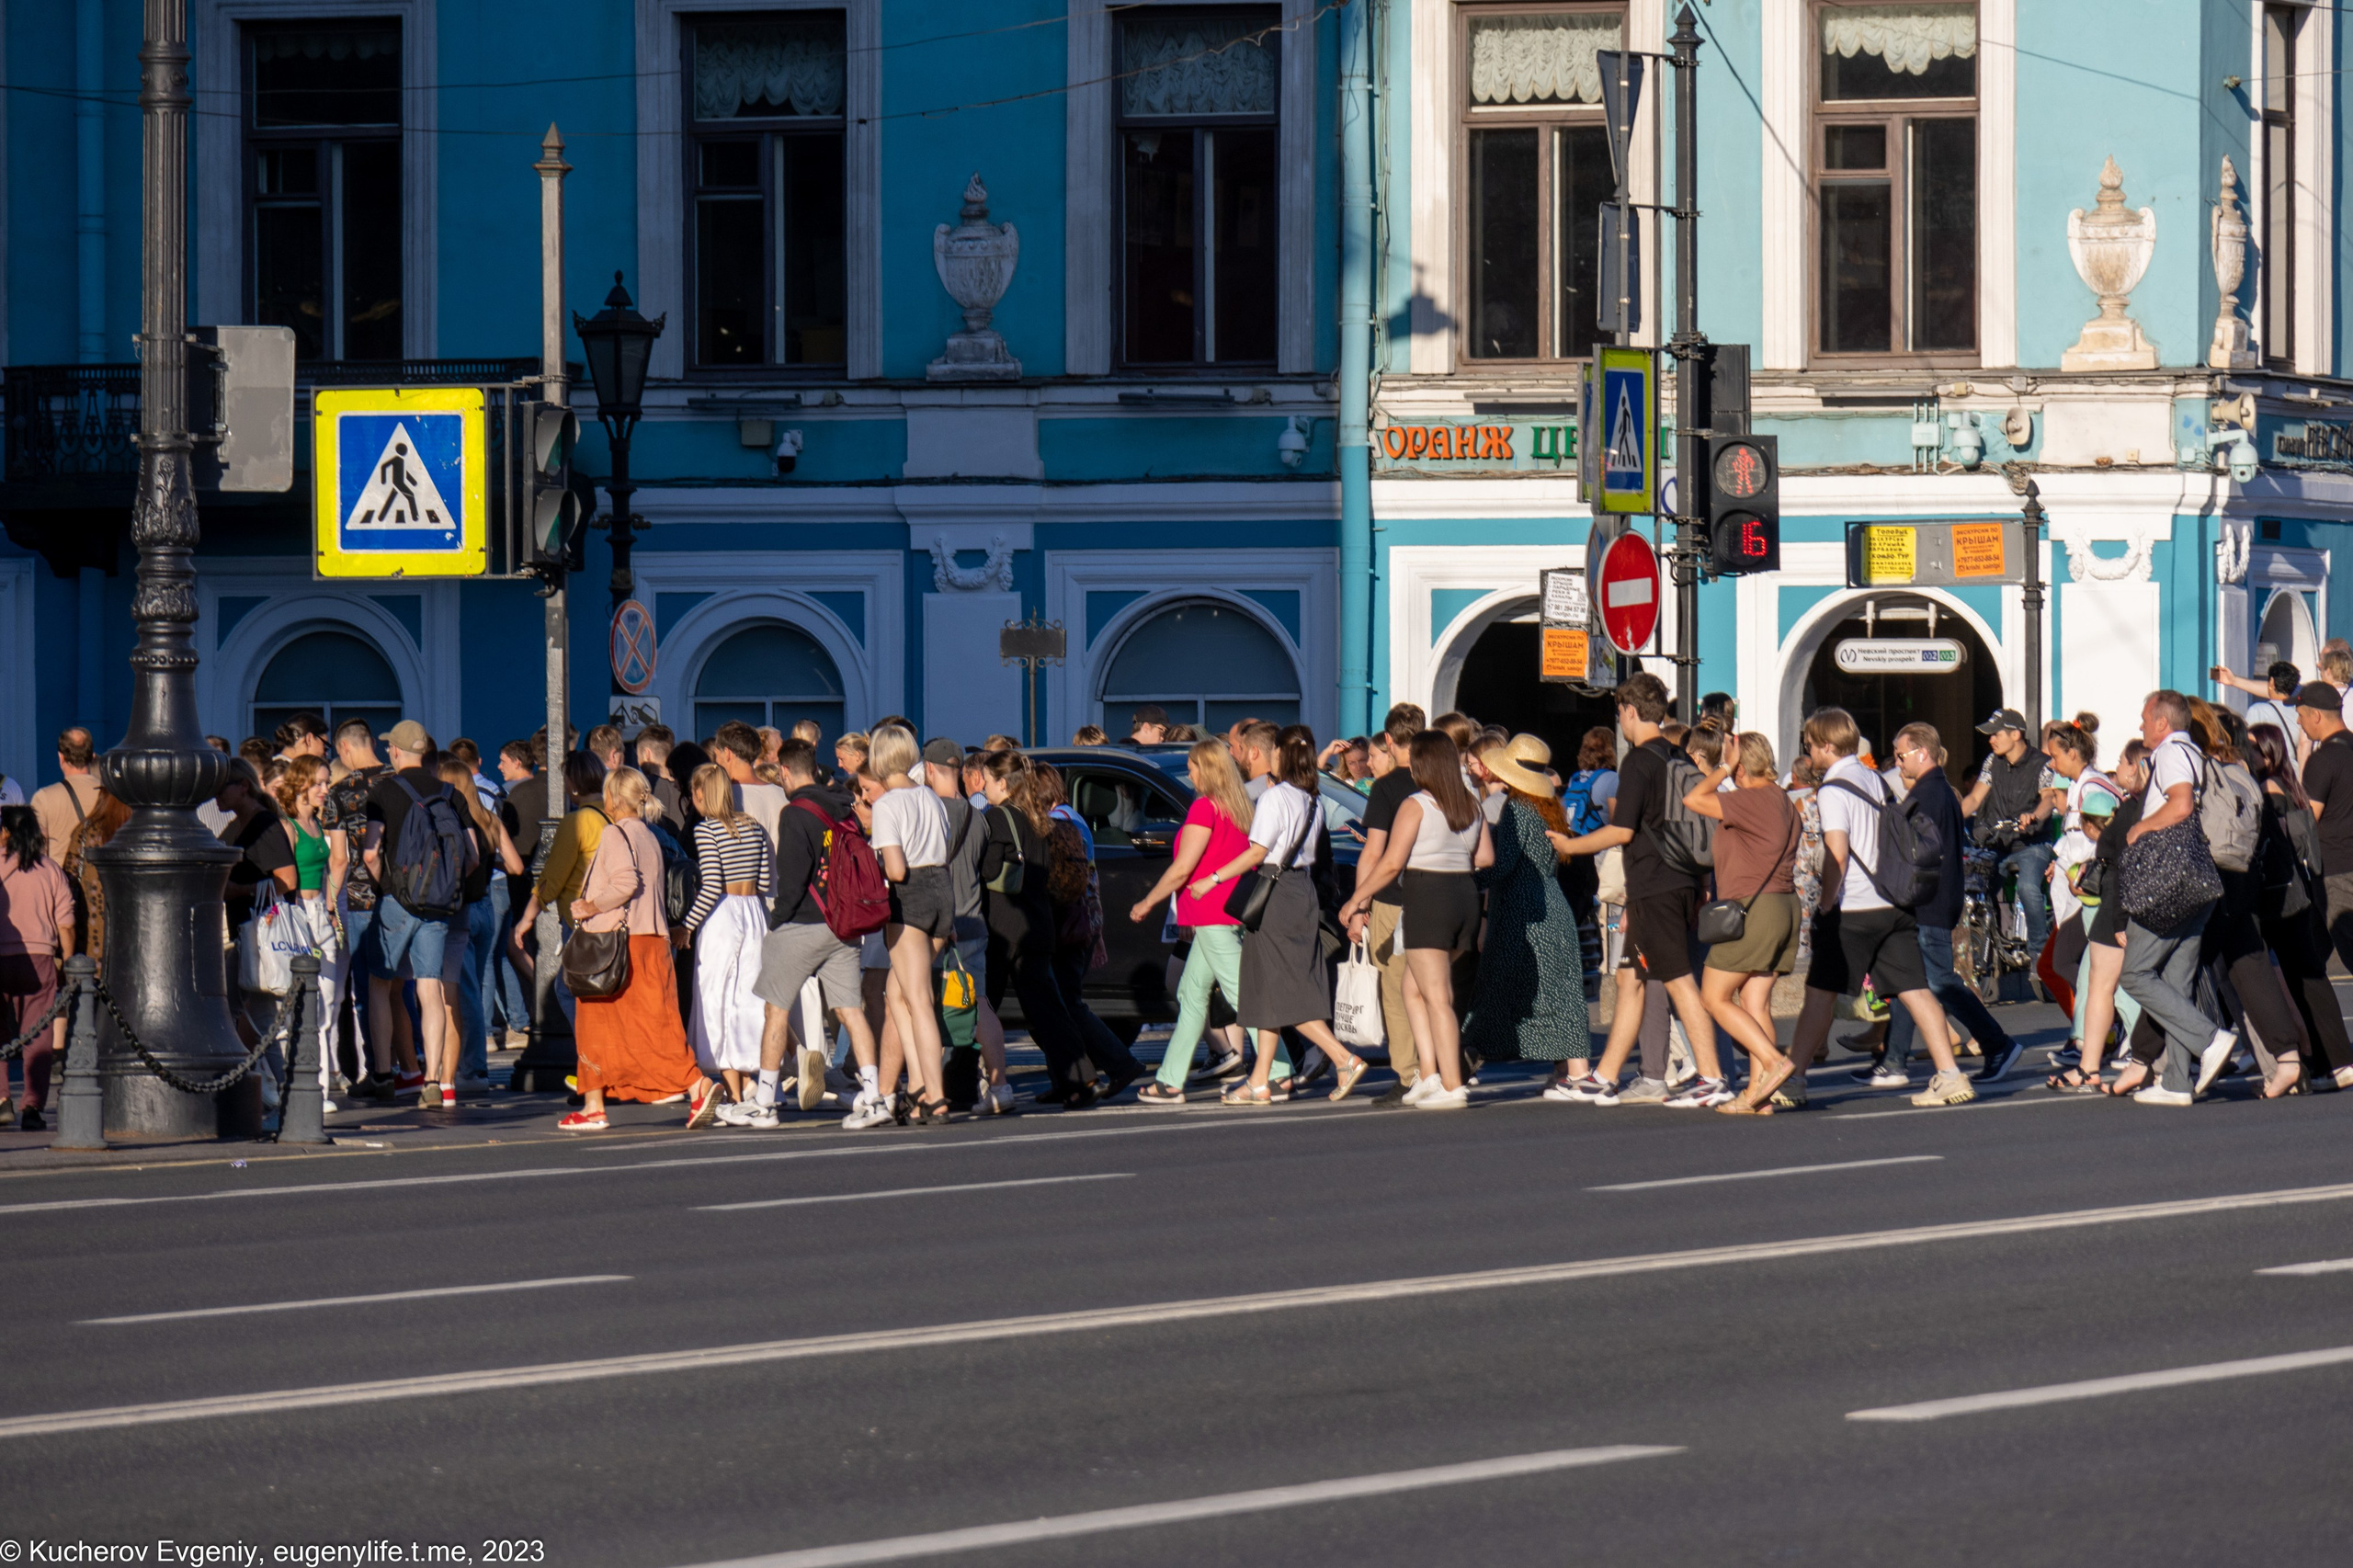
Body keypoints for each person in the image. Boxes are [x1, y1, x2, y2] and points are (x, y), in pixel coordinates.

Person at [1786, 706, 1976, 1108]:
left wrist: (1824, 906)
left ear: (1825, 745)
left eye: (1810, 746)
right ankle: (1949, 1074)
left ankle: (1794, 1080)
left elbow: (1837, 854)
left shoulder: (1833, 789)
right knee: (1915, 989)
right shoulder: (1876, 779)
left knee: (1820, 994)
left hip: (1853, 908)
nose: (1808, 754)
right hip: (1892, 902)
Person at [1553, 673, 1729, 1108]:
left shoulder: (1638, 762)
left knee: (1677, 978)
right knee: (1631, 977)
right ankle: (1605, 1076)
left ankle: (1710, 1077)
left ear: (1630, 711)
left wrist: (1570, 845)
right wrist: (1702, 884)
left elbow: (1621, 828)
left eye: (1619, 713)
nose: (1621, 722)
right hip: (1681, 880)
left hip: (1656, 884)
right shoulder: (1680, 757)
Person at [1194, 723, 1371, 1107]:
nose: (1271, 755)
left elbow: (1257, 852)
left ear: (1282, 756)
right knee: (1266, 987)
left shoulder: (1275, 799)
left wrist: (1212, 879)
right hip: (1300, 891)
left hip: (1275, 892)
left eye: (1275, 750)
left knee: (1279, 987)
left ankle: (1343, 1057)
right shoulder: (1311, 800)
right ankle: (1260, 1079)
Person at [725, 739, 884, 1130]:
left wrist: (777, 921)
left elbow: (793, 879)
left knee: (775, 1010)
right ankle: (875, 1095)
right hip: (843, 924)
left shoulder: (795, 813)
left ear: (783, 772)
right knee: (850, 1010)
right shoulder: (843, 807)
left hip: (803, 923)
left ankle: (763, 1101)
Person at [560, 767, 720, 1131]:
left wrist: (590, 906)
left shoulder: (615, 833)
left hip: (618, 945)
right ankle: (596, 1103)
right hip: (652, 941)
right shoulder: (650, 834)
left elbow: (625, 882)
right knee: (655, 1025)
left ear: (613, 798)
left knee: (597, 1025)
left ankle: (691, 1085)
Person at [1338, 731, 1491, 1109]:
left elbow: (1391, 862)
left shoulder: (1416, 804)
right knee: (1413, 988)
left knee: (1438, 996)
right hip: (1464, 897)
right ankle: (1428, 1075)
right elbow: (1486, 856)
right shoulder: (1471, 802)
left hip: (1428, 897)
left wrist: (1357, 899)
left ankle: (1452, 1085)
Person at [2113, 690, 2235, 1106]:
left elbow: (2180, 805)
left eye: (2146, 719)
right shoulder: (2195, 753)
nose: (2142, 726)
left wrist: (2140, 829)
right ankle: (2178, 1083)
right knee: (2177, 982)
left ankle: (2210, 1039)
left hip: (2168, 880)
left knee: (2135, 975)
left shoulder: (2170, 752)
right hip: (2198, 879)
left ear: (2163, 723)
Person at [1674, 731, 1801, 1113]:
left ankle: (1773, 1059)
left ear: (1742, 766)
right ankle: (1758, 1096)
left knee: (1713, 996)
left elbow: (1693, 799)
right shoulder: (1783, 800)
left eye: (1734, 765)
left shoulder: (1750, 798)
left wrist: (1724, 766)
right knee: (1754, 1001)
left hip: (1751, 910)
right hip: (1783, 907)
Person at [1129, 738, 1256, 1105]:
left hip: (1211, 915)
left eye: (1193, 765)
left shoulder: (1205, 808)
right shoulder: (1239, 807)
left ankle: (1276, 1072)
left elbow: (1183, 867)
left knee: (1243, 998)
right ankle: (1170, 1080)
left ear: (1209, 768)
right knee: (1191, 993)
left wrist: (1148, 901)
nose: (1189, 772)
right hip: (1222, 914)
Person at [1460, 734, 1589, 1087]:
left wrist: (1467, 874)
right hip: (1551, 901)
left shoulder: (1516, 808)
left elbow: (1503, 867)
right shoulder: (1549, 806)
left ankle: (1575, 1072)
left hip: (1522, 909)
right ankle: (1567, 1070)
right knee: (1558, 989)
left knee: (1507, 989)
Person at [358, 722, 475, 1108]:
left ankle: (381, 1073)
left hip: (397, 900)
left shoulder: (383, 791)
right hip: (439, 904)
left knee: (380, 982)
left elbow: (371, 854)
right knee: (430, 987)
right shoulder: (450, 792)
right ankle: (435, 1081)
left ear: (395, 752)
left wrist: (386, 887)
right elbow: (471, 856)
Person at [1029, 761, 1146, 1101]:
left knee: (1066, 1004)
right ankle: (1066, 1077)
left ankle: (1120, 1063)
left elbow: (1063, 881)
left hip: (1068, 923)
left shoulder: (1061, 823)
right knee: (1056, 1004)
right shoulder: (1073, 818)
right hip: (1081, 921)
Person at [2243, 722, 2348, 1095]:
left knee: (2298, 977)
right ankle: (2334, 1059)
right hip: (2301, 889)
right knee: (2308, 976)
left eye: (2255, 747)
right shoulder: (2289, 784)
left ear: (2270, 752)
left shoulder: (2269, 790)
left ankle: (2326, 1061)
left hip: (2283, 893)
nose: (2249, 753)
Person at [867, 723, 954, 1122]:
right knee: (896, 994)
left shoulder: (886, 805)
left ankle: (934, 1093)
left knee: (918, 1000)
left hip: (910, 898)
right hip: (941, 892)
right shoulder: (930, 797)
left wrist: (878, 861)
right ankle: (918, 1084)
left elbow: (897, 870)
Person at [925, 737, 1012, 1114]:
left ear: (929, 769)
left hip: (935, 926)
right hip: (973, 921)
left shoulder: (927, 811)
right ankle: (1000, 1086)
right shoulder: (978, 817)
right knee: (978, 1006)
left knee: (919, 1006)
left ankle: (925, 1091)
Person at [680, 762, 774, 1107]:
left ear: (701, 793)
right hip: (754, 913)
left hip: (722, 915)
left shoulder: (706, 831)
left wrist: (687, 926)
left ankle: (734, 1092)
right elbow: (764, 883)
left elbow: (710, 888)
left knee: (717, 1000)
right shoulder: (754, 827)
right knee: (750, 998)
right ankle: (752, 1079)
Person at [321, 718, 404, 1100]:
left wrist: (329, 899)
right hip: (407, 896)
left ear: (343, 749)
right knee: (405, 987)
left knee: (369, 989)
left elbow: (339, 859)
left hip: (360, 899)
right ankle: (413, 1064)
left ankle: (379, 1070)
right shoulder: (399, 781)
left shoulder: (342, 793)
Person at [437, 756, 524, 1102]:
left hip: (464, 907)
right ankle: (473, 1065)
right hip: (489, 904)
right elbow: (516, 866)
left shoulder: (453, 818)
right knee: (478, 980)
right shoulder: (489, 818)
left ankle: (472, 1068)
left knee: (465, 991)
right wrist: (493, 859)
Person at [1353, 703, 1427, 1105]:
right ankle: (1439, 1068)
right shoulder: (1440, 779)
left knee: (1397, 991)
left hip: (1394, 899)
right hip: (1436, 895)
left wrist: (1359, 902)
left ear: (1392, 741)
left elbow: (1374, 851)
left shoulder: (1387, 787)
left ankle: (1408, 1073)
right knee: (1432, 988)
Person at [0, 806, 76, 1131]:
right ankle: (33, 1105)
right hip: (41, 958)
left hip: (1, 959)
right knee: (40, 1034)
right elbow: (67, 924)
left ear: (6, 832)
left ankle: (1, 1100)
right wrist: (70, 963)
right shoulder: (50, 869)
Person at [1960, 708, 2056, 963]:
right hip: (1998, 843)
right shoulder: (1993, 762)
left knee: (2027, 887)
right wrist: (1951, 816)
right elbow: (1974, 798)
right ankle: (1985, 949)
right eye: (1989, 735)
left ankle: (2038, 952)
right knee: (1978, 888)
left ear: (2016, 734)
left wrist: (2034, 816)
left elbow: (2049, 799)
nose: (1991, 739)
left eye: (1996, 734)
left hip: (2031, 843)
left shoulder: (2042, 763)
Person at [2297, 680, 2353, 1088]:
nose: (2301, 725)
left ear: (2316, 715)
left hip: (2334, 872)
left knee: (2326, 958)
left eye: (2301, 717)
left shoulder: (2322, 761)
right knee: (2310, 962)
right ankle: (2328, 1056)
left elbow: (2307, 822)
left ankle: (2332, 1058)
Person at [713, 722, 788, 859]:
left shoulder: (724, 799)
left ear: (727, 753)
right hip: (782, 877)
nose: (716, 761)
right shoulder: (783, 794)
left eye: (717, 754)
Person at [30, 727, 103, 869]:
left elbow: (38, 853)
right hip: (99, 885)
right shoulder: (110, 795)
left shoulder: (44, 798)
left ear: (61, 757)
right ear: (92, 757)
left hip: (62, 883)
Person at [2215, 660, 2304, 760]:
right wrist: (2234, 680)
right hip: (2292, 769)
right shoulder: (2299, 710)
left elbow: (2247, 744)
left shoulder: (2259, 710)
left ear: (2271, 682)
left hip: (2269, 770)